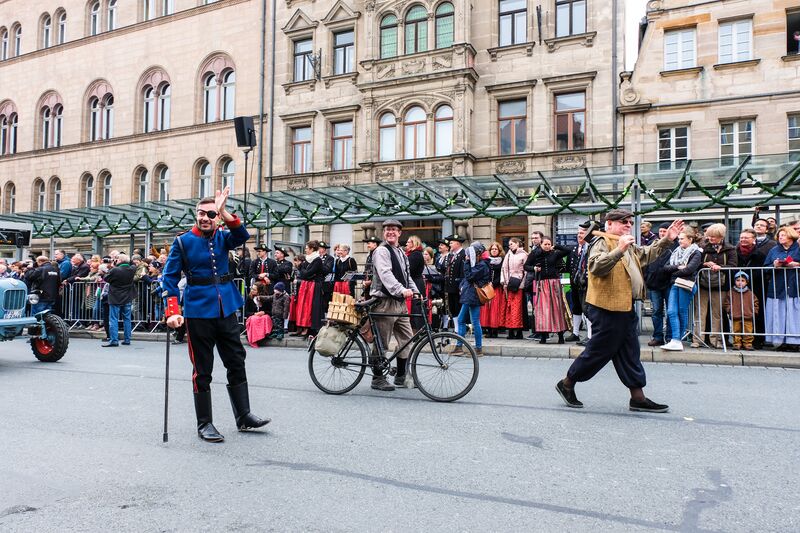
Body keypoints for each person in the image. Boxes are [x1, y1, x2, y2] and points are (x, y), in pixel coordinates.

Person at [163, 188, 269, 443]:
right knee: (203, 369)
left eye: (211, 214)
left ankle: (243, 415)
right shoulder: (183, 241)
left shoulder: (223, 238)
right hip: (198, 310)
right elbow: (169, 277)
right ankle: (205, 424)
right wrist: (173, 312)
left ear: (217, 217)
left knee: (236, 360)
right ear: (196, 215)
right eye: (201, 213)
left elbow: (242, 234)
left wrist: (223, 211)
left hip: (225, 308)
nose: (205, 218)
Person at [555, 209, 683, 413]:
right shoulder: (602, 242)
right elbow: (596, 267)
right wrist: (619, 250)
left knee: (630, 352)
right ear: (610, 224)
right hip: (606, 307)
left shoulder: (626, 243)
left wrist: (667, 239)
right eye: (623, 221)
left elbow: (646, 254)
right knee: (599, 351)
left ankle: (638, 397)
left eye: (630, 222)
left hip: (625, 307)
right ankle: (567, 383)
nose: (628, 225)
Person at [369, 219, 419, 391]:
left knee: (407, 339)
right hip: (384, 302)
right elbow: (385, 274)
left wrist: (415, 290)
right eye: (387, 230)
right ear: (384, 233)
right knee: (382, 342)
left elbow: (407, 275)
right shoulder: (381, 251)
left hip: (399, 303)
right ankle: (377, 378)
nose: (390, 232)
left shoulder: (400, 251)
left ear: (400, 233)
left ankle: (400, 376)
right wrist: (400, 290)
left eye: (394, 230)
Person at [693, 223, 737, 348]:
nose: (711, 239)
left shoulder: (730, 249)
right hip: (703, 285)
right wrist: (705, 264)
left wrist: (721, 267)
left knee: (717, 314)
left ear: (721, 236)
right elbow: (696, 263)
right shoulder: (702, 247)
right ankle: (698, 339)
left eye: (714, 236)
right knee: (700, 312)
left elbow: (734, 266)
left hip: (720, 286)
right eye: (709, 236)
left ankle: (716, 340)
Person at [660, 229, 703, 351]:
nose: (679, 241)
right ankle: (675, 340)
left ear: (690, 239)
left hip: (686, 283)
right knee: (671, 311)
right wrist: (678, 267)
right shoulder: (676, 251)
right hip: (675, 283)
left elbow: (689, 269)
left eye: (682, 239)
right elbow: (665, 268)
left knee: (681, 311)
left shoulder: (696, 252)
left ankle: (677, 340)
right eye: (679, 239)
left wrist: (674, 271)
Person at [526, 236, 570, 344]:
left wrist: (556, 246)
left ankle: (560, 336)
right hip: (541, 284)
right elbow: (526, 266)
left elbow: (567, 251)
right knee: (543, 311)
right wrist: (534, 268)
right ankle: (543, 337)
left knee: (557, 309)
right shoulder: (535, 254)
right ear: (541, 244)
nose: (547, 246)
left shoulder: (555, 253)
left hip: (554, 283)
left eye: (548, 244)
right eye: (545, 244)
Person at [762, 226, 800, 352]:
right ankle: (780, 341)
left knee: (794, 314)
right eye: (779, 235)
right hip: (778, 286)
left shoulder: (798, 248)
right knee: (779, 314)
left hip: (795, 286)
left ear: (791, 236)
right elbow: (765, 267)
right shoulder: (774, 250)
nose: (780, 237)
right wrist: (774, 265)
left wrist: (796, 264)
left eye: (783, 235)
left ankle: (795, 342)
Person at [452, 242, 491, 356]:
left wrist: (467, 262)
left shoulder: (482, 265)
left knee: (473, 322)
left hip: (473, 296)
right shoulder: (479, 264)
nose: (467, 256)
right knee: (462, 320)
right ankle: (460, 347)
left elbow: (469, 276)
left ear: (477, 253)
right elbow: (466, 278)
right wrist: (461, 286)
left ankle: (477, 348)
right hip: (469, 294)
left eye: (470, 254)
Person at [643, 222, 676, 347]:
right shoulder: (654, 244)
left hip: (668, 283)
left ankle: (669, 337)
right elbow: (646, 261)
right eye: (661, 231)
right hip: (654, 283)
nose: (662, 234)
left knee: (670, 311)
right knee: (656, 311)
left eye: (665, 231)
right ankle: (657, 336)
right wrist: (647, 277)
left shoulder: (675, 245)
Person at [736, 229, 769, 348]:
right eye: (742, 237)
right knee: (738, 314)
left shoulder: (759, 254)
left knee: (756, 313)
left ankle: (757, 339)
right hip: (737, 287)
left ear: (753, 239)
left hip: (756, 287)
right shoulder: (735, 252)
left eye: (746, 238)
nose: (743, 240)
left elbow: (762, 271)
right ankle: (738, 340)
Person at [566, 221, 597, 344]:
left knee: (587, 309)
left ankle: (590, 336)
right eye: (578, 233)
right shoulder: (574, 248)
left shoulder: (590, 247)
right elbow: (569, 266)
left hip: (587, 283)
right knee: (576, 308)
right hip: (576, 282)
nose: (579, 235)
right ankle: (575, 333)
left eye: (582, 233)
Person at [102, 254, 136, 347]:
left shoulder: (115, 270)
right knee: (127, 319)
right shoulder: (132, 269)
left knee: (113, 319)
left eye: (116, 260)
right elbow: (133, 263)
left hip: (115, 296)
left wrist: (113, 265)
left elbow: (106, 278)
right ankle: (127, 339)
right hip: (127, 296)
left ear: (119, 260)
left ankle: (114, 340)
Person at [294, 241, 325, 338]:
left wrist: (301, 268)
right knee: (302, 307)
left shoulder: (317, 260)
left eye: (307, 248)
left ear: (312, 249)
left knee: (310, 308)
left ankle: (309, 328)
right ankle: (301, 327)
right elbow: (306, 274)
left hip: (313, 286)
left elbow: (306, 273)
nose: (305, 249)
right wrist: (305, 272)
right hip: (306, 285)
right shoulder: (307, 259)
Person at [723, 271, 759, 351]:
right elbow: (727, 303)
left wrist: (754, 311)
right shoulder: (731, 292)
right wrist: (730, 311)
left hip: (748, 316)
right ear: (735, 281)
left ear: (746, 282)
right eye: (738, 280)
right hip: (736, 315)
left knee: (748, 331)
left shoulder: (750, 293)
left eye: (742, 281)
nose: (740, 283)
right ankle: (737, 344)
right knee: (736, 331)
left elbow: (756, 303)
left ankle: (748, 344)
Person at [501, 237, 527, 339]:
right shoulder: (508, 254)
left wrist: (522, 284)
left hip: (518, 285)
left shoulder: (524, 255)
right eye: (509, 244)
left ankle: (519, 332)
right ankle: (510, 331)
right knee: (509, 308)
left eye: (511, 244)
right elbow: (504, 268)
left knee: (517, 309)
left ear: (517, 244)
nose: (509, 245)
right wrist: (504, 282)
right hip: (509, 285)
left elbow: (525, 271)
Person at [480, 241, 505, 339]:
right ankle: (487, 329)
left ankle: (495, 330)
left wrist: (494, 284)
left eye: (496, 249)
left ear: (499, 250)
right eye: (492, 249)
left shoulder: (502, 260)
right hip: (486, 287)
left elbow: (501, 274)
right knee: (486, 309)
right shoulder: (486, 260)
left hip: (496, 287)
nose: (494, 251)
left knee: (495, 309)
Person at [444, 234, 466, 334]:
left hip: (458, 286)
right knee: (452, 307)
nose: (450, 245)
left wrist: (461, 286)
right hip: (451, 286)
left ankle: (461, 329)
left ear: (457, 243)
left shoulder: (463, 254)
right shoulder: (452, 255)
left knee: (458, 307)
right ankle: (457, 328)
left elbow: (463, 272)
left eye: (451, 243)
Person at [404, 236, 426, 331]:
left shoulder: (415, 255)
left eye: (408, 242)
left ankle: (418, 330)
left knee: (416, 308)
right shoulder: (413, 254)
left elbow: (409, 270)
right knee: (414, 308)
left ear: (414, 243)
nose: (406, 244)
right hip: (415, 281)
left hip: (416, 283)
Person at [421, 247, 443, 328]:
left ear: (431, 255)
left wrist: (431, 278)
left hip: (432, 289)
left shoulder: (436, 265)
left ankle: (434, 326)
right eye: (423, 254)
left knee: (433, 308)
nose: (424, 256)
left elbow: (441, 278)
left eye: (426, 254)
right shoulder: (421, 265)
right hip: (424, 288)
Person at [318, 241, 335, 314]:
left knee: (326, 300)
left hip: (326, 283)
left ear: (324, 249)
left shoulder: (330, 258)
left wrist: (318, 266)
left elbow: (327, 269)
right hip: (318, 282)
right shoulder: (316, 257)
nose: (318, 249)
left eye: (320, 248)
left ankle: (325, 316)